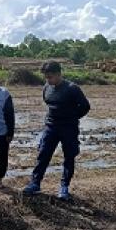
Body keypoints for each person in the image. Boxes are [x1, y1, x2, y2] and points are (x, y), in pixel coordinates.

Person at [23, 61, 90, 200]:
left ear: (59, 74)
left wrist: (71, 117)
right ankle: (35, 183)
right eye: (46, 77)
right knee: (43, 154)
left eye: (50, 77)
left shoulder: (72, 88)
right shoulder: (47, 87)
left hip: (68, 128)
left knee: (69, 156)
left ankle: (64, 187)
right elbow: (48, 103)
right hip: (51, 126)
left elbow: (85, 107)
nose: (48, 80)